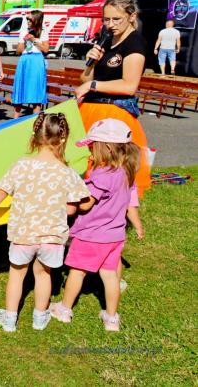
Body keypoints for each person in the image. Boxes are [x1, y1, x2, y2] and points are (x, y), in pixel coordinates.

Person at [0, 113, 90, 332]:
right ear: (63, 139)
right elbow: (71, 209)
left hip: (23, 234)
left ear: (34, 137)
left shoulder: (21, 166)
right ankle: (40, 319)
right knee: (44, 274)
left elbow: (0, 192)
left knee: (16, 275)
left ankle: (9, 320)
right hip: (52, 237)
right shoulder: (68, 173)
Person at [50, 119, 145, 331]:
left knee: (77, 272)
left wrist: (70, 194)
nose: (90, 150)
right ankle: (111, 318)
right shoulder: (127, 172)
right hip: (115, 236)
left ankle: (64, 309)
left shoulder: (103, 175)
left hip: (92, 235)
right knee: (110, 276)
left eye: (93, 146)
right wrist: (137, 225)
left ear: (107, 147)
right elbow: (129, 203)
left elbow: (86, 205)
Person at [75, 0, 151, 197]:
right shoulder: (107, 40)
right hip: (91, 110)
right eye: (106, 19)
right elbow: (84, 79)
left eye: (116, 19)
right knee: (86, 165)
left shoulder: (135, 44)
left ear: (132, 16)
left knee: (109, 168)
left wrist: (92, 85)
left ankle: (108, 208)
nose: (110, 24)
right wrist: (91, 63)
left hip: (113, 113)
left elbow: (129, 86)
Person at [12, 10, 49, 118]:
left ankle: (36, 118)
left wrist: (33, 40)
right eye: (27, 19)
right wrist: (24, 41)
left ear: (36, 20)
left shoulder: (43, 32)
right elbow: (19, 50)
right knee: (20, 85)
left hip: (37, 60)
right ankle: (15, 119)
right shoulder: (24, 31)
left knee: (36, 88)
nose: (27, 21)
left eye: (30, 19)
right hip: (25, 59)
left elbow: (46, 49)